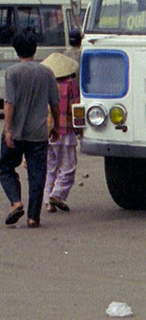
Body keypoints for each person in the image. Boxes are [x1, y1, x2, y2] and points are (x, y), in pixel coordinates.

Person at [1, 28, 61, 229]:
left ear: (16, 50)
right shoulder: (47, 72)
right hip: (38, 133)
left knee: (4, 167)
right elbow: (55, 103)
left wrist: (7, 129)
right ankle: (33, 217)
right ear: (35, 49)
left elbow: (9, 103)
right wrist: (56, 126)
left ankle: (16, 202)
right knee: (37, 175)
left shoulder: (12, 72)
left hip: (16, 132)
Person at [42, 52, 80, 214]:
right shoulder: (70, 84)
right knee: (68, 167)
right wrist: (79, 130)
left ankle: (47, 201)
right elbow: (75, 108)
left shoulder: (43, 84)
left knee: (50, 168)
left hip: (45, 132)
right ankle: (57, 194)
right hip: (65, 131)